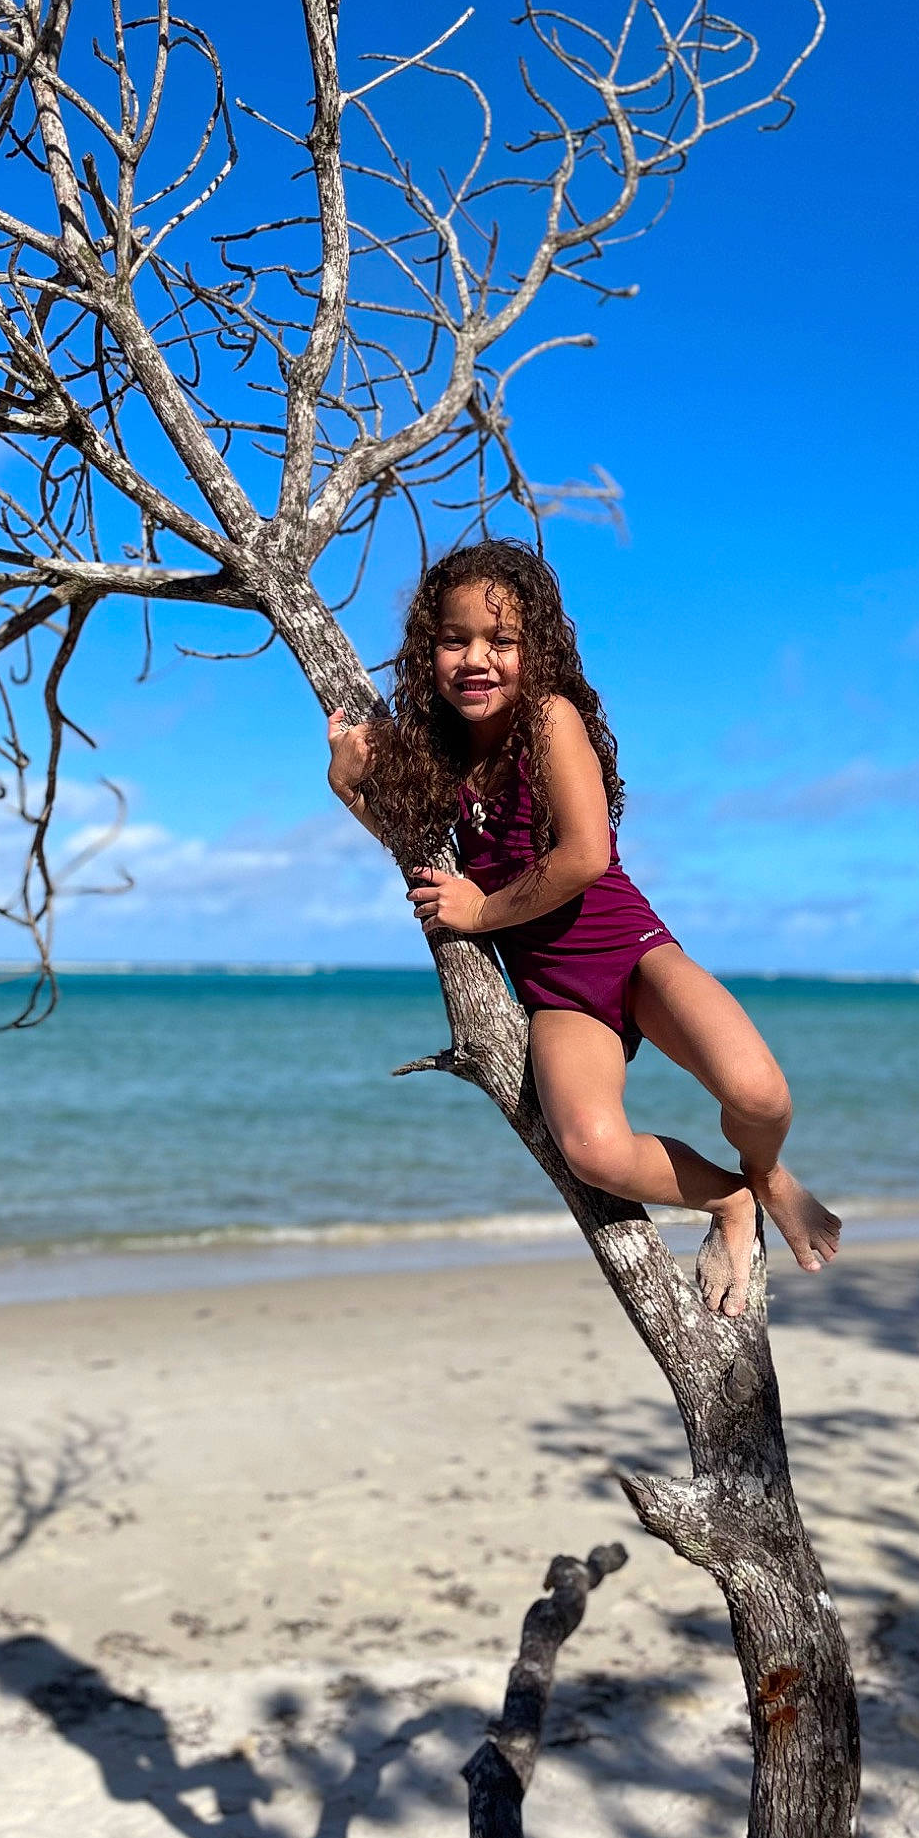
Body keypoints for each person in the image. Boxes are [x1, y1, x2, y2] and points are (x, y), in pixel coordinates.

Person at [325, 538, 840, 1317]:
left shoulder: (549, 719)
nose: (477, 659)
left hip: (629, 951)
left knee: (760, 1095)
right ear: (427, 649)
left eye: (501, 642)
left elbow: (585, 857)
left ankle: (767, 1169)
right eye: (455, 640)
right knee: (594, 1150)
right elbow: (412, 846)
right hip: (552, 988)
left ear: (537, 651)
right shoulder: (432, 753)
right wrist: (345, 786)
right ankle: (731, 1198)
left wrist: (483, 911)